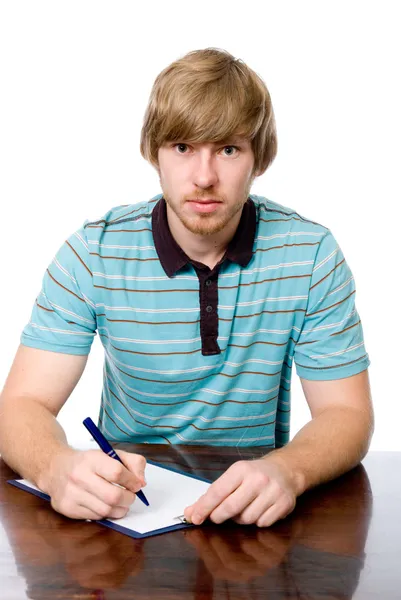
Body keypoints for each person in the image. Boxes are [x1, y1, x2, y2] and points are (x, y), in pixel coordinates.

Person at [0, 47, 373, 528]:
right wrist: (56, 466)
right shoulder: (92, 253)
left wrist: (289, 469)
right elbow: (20, 405)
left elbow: (347, 413)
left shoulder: (311, 254)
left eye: (228, 149)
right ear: (153, 152)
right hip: (125, 510)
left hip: (251, 514)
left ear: (260, 158)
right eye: (182, 147)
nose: (204, 177)